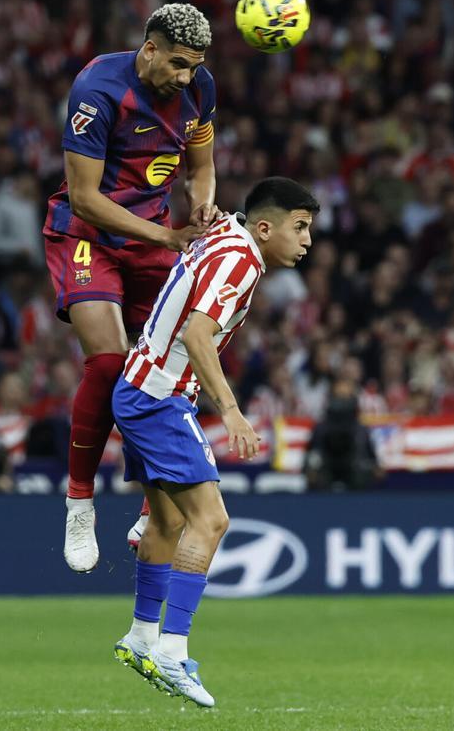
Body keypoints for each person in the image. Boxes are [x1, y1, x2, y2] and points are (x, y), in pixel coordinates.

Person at [110, 177, 317, 708]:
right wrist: (231, 412)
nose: (307, 240)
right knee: (213, 520)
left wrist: (208, 207)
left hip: (138, 388)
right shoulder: (241, 262)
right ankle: (174, 652)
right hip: (160, 398)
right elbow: (197, 335)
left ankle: (141, 636)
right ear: (265, 227)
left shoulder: (228, 234)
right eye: (300, 227)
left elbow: (211, 208)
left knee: (168, 522)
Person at [46, 3, 221, 572]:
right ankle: (79, 502)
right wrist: (167, 238)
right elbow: (85, 197)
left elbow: (200, 168)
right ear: (149, 48)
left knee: (175, 363)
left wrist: (201, 204)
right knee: (108, 363)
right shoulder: (97, 90)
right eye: (176, 63)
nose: (185, 77)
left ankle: (153, 503)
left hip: (154, 238)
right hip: (89, 236)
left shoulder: (200, 90)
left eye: (194, 66)